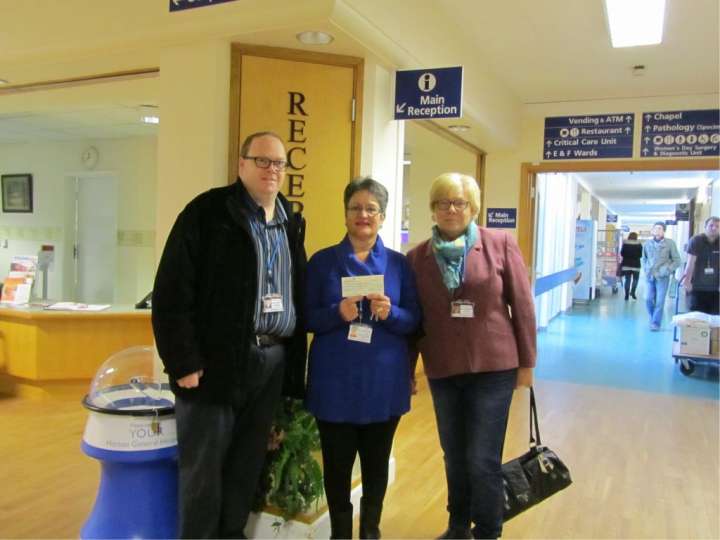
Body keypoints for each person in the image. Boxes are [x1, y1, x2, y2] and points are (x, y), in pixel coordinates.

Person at [151, 131, 308, 538]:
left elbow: (297, 293)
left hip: (270, 363)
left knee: (245, 467)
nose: (271, 170)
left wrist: (292, 373)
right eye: (262, 160)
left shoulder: (290, 222)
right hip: (213, 365)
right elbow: (171, 292)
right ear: (241, 165)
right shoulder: (207, 213)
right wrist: (182, 361)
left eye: (278, 163)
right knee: (203, 472)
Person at [406, 172, 536, 540]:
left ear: (473, 207)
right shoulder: (417, 258)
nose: (450, 209)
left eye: (459, 202)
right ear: (432, 209)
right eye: (442, 202)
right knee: (454, 454)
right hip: (443, 368)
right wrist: (406, 371)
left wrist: (527, 364)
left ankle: (489, 530)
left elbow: (523, 307)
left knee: (482, 457)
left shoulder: (500, 244)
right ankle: (458, 525)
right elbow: (414, 320)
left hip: (494, 367)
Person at [304, 177, 420, 539]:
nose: (363, 215)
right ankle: (340, 532)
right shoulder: (322, 262)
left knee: (375, 463)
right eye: (356, 207)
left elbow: (415, 320)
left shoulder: (400, 266)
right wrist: (336, 313)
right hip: (333, 382)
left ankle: (370, 529)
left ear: (383, 216)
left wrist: (393, 313)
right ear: (345, 214)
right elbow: (305, 318)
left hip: (383, 382)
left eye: (371, 208)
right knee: (336, 466)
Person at [641, 221, 681, 331]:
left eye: (660, 228)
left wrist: (667, 270)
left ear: (664, 231)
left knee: (659, 301)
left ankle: (655, 323)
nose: (657, 231)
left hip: (662, 277)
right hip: (650, 275)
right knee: (648, 299)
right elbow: (644, 258)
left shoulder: (670, 243)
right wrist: (645, 268)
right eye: (655, 228)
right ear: (652, 230)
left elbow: (677, 261)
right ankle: (653, 317)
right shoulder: (647, 244)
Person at [682, 216, 720, 314]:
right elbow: (690, 263)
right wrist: (687, 281)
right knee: (697, 318)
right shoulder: (696, 240)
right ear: (705, 226)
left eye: (717, 226)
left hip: (716, 288)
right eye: (711, 225)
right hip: (697, 287)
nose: (714, 228)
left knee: (715, 319)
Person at [619, 232, 642, 300]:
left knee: (627, 280)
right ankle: (633, 292)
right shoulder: (639, 244)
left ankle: (626, 295)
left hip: (626, 264)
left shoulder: (625, 243)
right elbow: (640, 255)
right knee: (635, 280)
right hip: (636, 265)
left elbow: (622, 253)